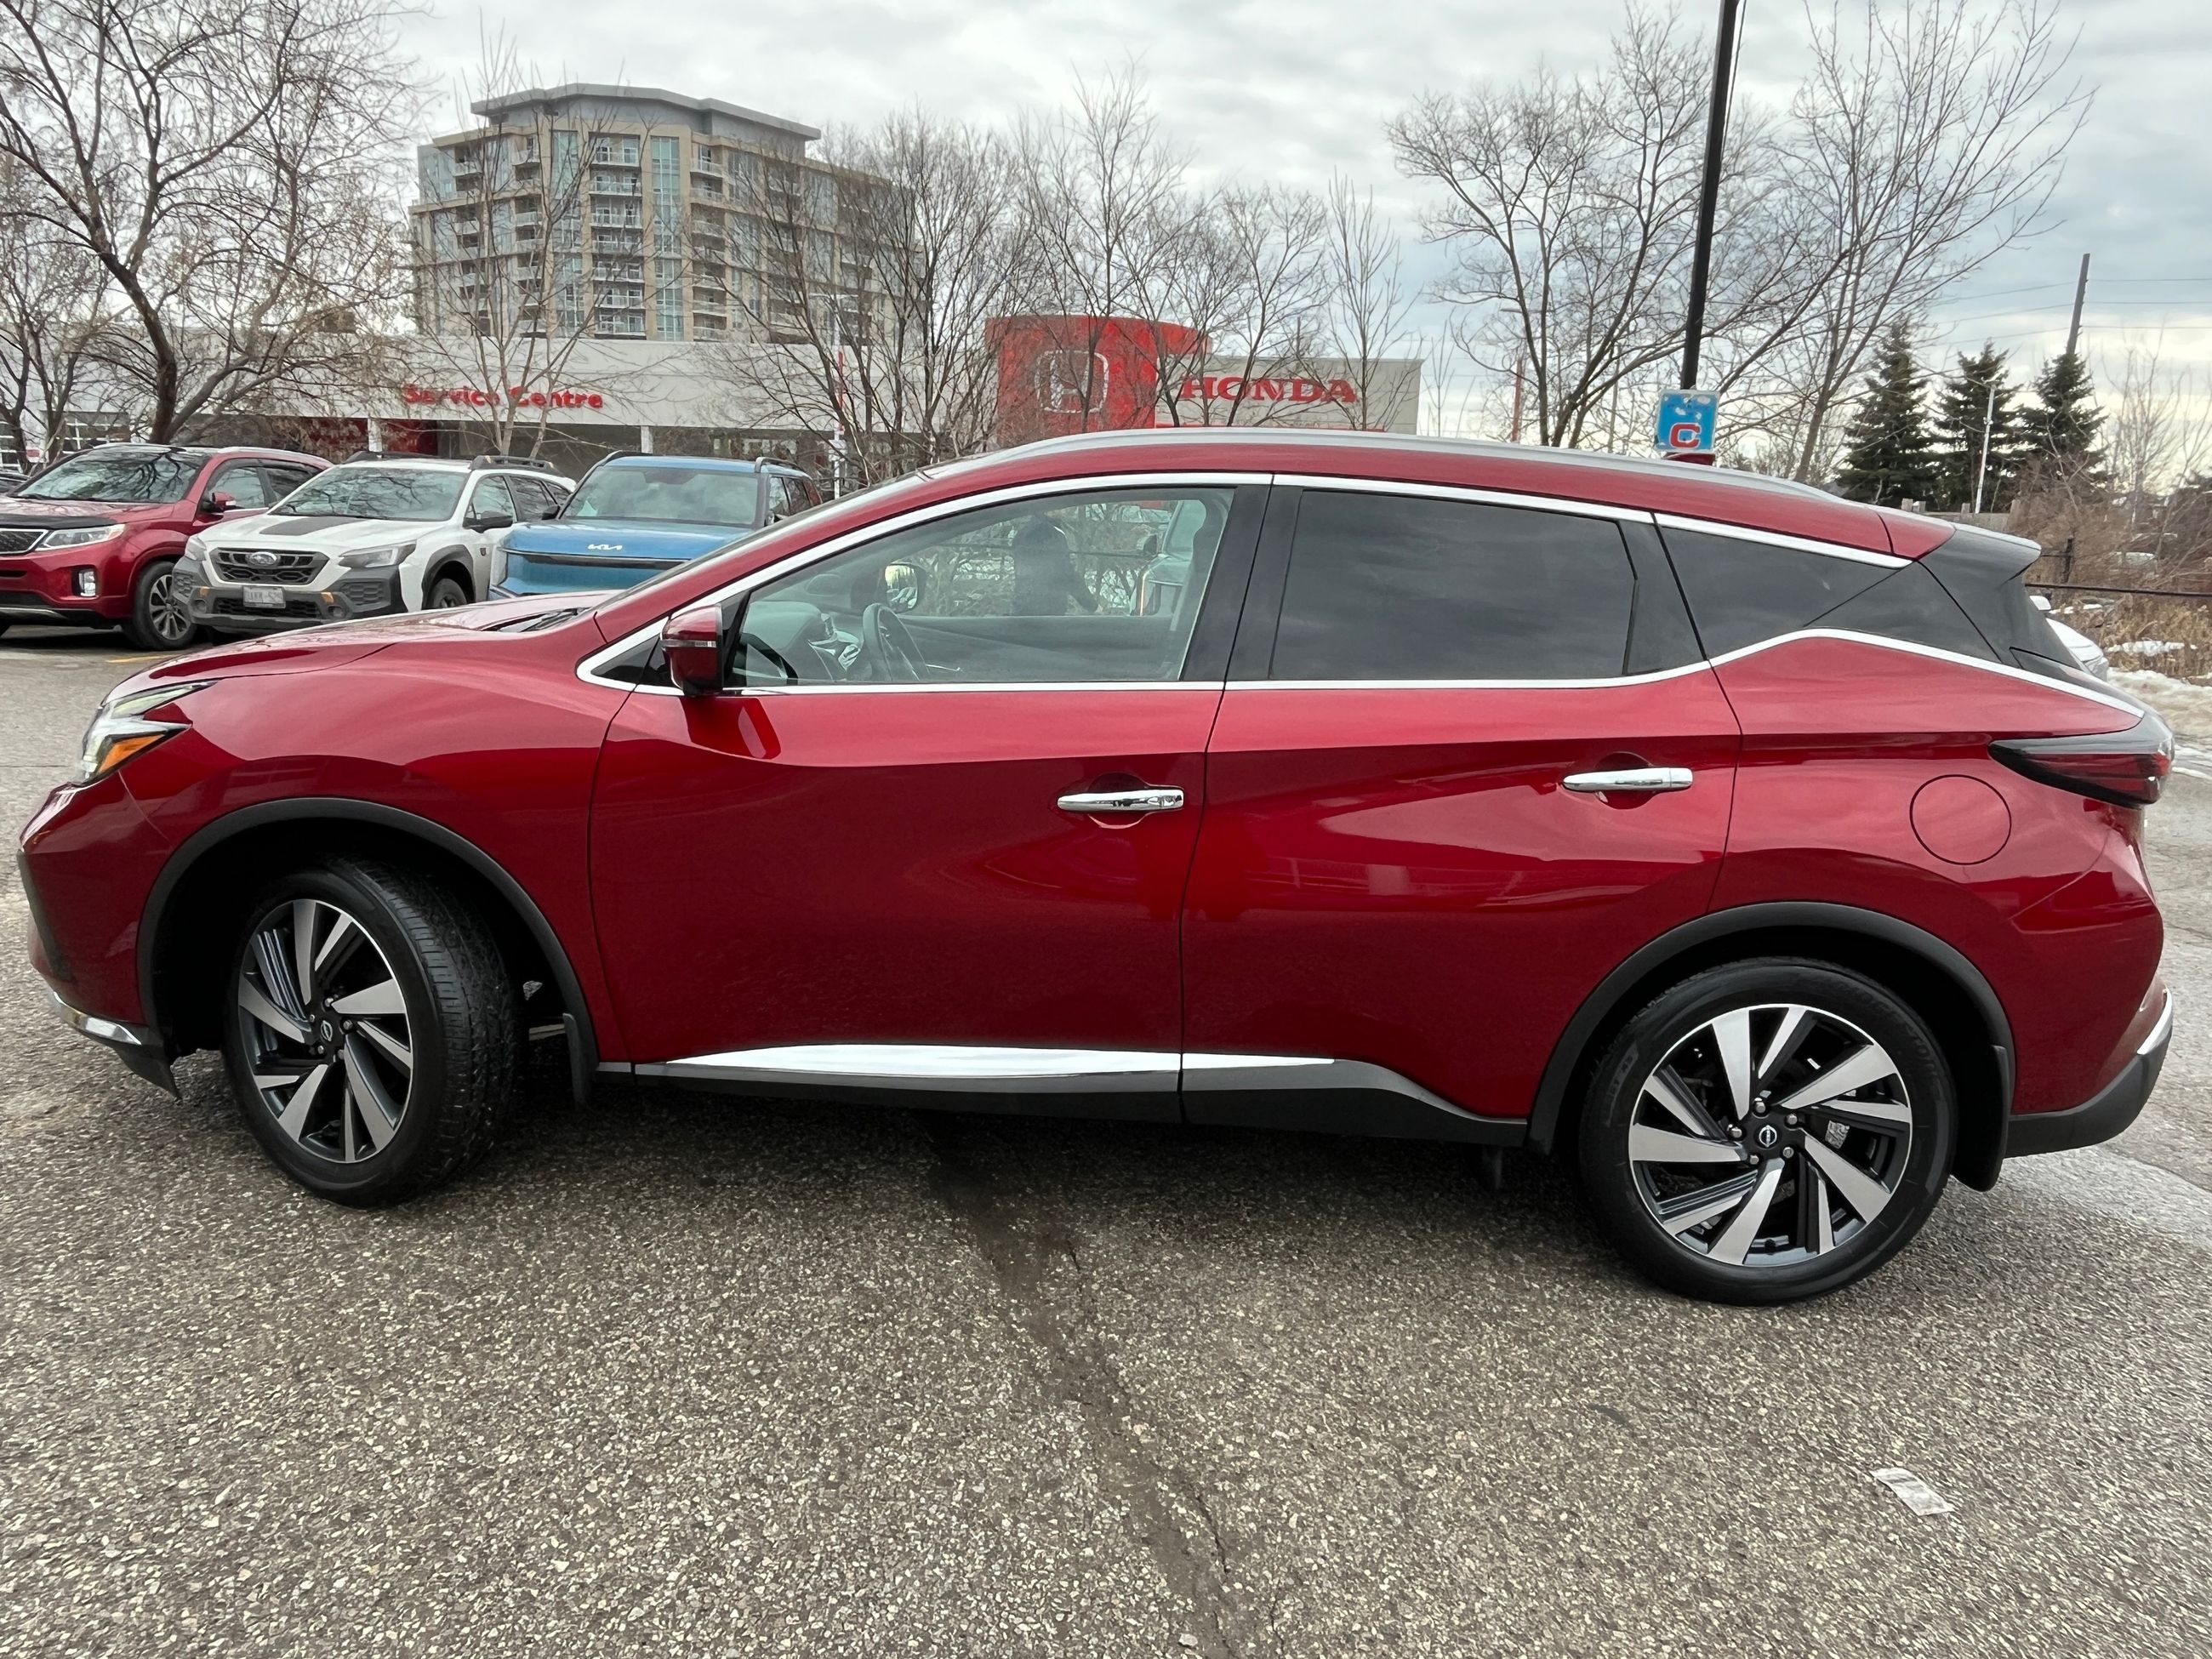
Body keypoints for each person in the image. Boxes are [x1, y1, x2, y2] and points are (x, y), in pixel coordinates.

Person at [1008, 517, 1098, 615]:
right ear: (1051, 510)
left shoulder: (1023, 533)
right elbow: (1065, 573)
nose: (1066, 510)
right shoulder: (1053, 534)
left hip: (1021, 609)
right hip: (1048, 613)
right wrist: (1092, 605)